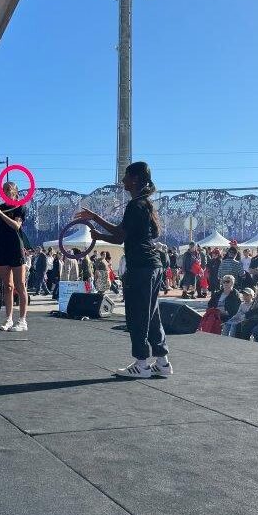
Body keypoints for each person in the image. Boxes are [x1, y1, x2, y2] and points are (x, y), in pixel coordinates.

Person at [75, 161, 171, 378]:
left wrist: (96, 220)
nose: (122, 180)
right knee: (152, 314)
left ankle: (141, 363)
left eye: (126, 176)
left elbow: (120, 236)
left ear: (135, 179)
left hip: (141, 267)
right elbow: (131, 235)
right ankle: (162, 362)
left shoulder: (135, 205)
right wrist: (99, 234)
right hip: (153, 266)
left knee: (137, 315)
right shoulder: (145, 204)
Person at [0, 181, 29, 331]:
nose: (6, 192)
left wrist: (1, 214)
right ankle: (8, 319)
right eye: (4, 190)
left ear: (15, 192)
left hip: (16, 248)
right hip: (2, 249)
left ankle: (22, 321)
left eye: (9, 189)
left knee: (20, 285)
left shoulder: (20, 207)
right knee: (7, 286)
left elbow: (16, 226)